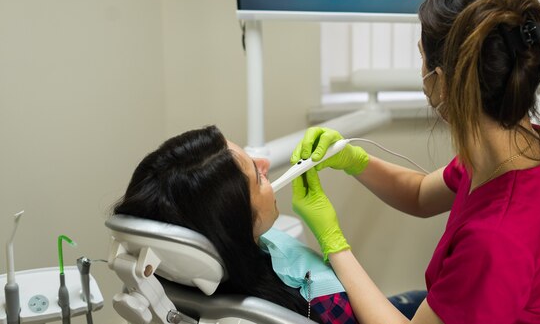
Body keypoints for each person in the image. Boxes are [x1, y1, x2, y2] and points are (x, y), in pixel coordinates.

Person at [290, 0, 540, 324]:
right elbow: (422, 194)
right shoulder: (524, 147)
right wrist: (352, 160)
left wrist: (333, 243)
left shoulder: (494, 240)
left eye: (421, 56)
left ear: (439, 81)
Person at [112, 125, 361, 324]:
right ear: (237, 225)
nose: (265, 163)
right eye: (257, 177)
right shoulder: (321, 302)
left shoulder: (174, 278)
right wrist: (335, 243)